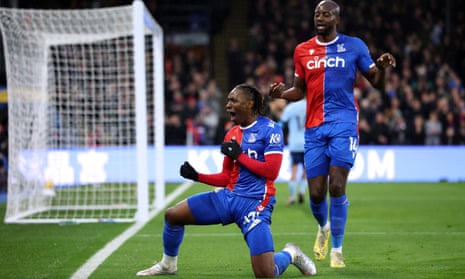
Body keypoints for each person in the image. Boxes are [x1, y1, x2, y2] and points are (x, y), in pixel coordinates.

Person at [136, 84, 317, 278]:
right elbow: (225, 177)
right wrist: (197, 176)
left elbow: (271, 172)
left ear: (250, 103)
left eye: (233, 100)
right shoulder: (232, 133)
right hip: (228, 198)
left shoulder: (271, 130)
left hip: (255, 204)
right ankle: (168, 265)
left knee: (265, 274)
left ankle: (291, 254)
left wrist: (239, 156)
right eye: (228, 100)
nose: (228, 105)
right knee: (173, 215)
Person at [269, 0, 396, 269]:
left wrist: (382, 69)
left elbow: (376, 83)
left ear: (337, 18)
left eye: (326, 14)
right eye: (317, 13)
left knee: (336, 186)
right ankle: (324, 227)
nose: (320, 17)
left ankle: (337, 250)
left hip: (344, 124)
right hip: (314, 128)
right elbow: (298, 91)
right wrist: (282, 93)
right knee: (316, 194)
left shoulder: (355, 46)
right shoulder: (302, 50)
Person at [279, 98, 307, 205]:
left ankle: (292, 196)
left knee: (294, 171)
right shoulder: (310, 106)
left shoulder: (290, 107)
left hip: (294, 144)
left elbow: (281, 124)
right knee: (306, 170)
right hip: (307, 143)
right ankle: (302, 191)